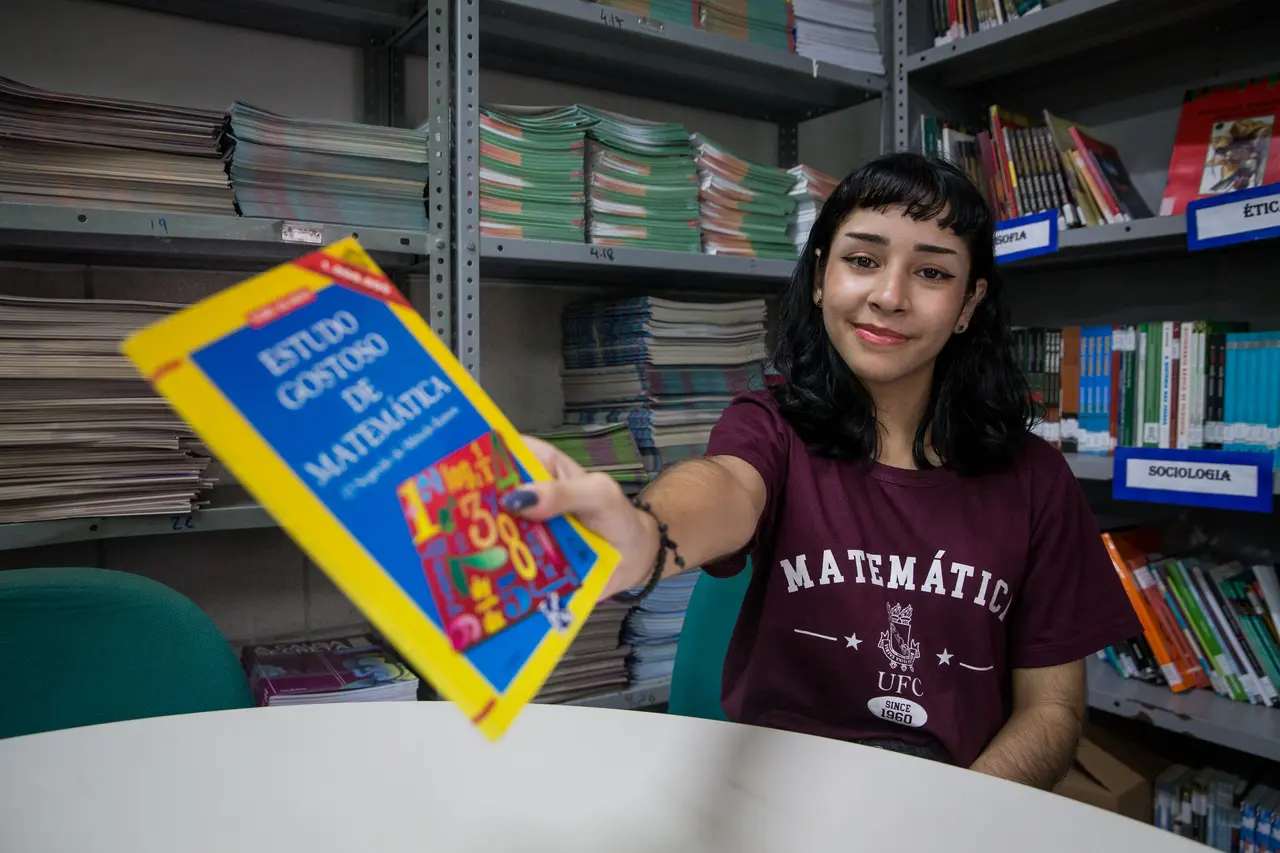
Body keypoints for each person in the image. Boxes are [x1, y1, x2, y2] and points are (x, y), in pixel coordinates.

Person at [503, 152, 1141, 789]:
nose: (888, 297)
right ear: (818, 276)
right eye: (862, 261)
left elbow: (1052, 709)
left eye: (931, 273)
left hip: (954, 800)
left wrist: (957, 820)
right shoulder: (771, 425)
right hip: (778, 802)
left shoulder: (1036, 479)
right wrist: (644, 535)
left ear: (970, 302)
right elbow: (722, 486)